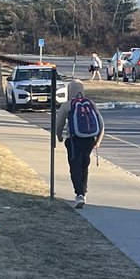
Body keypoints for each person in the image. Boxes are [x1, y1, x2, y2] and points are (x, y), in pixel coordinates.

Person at [55, 79, 104, 208]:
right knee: (84, 165)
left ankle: (79, 194)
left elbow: (59, 124)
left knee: (75, 166)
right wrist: (98, 140)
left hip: (73, 139)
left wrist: (59, 136)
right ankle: (84, 191)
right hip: (89, 139)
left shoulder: (67, 105)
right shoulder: (91, 104)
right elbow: (101, 123)